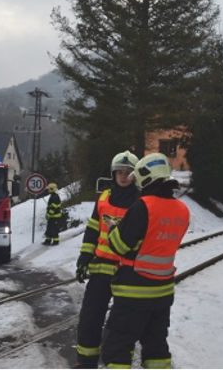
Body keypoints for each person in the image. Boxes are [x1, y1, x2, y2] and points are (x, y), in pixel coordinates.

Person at [100, 153, 190, 369]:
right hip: (162, 292)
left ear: (146, 177)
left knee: (118, 348)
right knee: (156, 347)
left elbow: (120, 246)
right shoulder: (182, 210)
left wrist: (114, 228)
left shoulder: (143, 206)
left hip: (133, 291)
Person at [74, 150, 140, 368]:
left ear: (135, 174)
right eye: (119, 172)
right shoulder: (103, 198)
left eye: (128, 172)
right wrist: (84, 257)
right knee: (89, 320)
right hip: (101, 270)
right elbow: (93, 230)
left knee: (121, 325)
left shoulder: (142, 203)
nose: (123, 176)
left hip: (127, 272)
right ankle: (86, 363)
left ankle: (118, 364)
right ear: (113, 174)